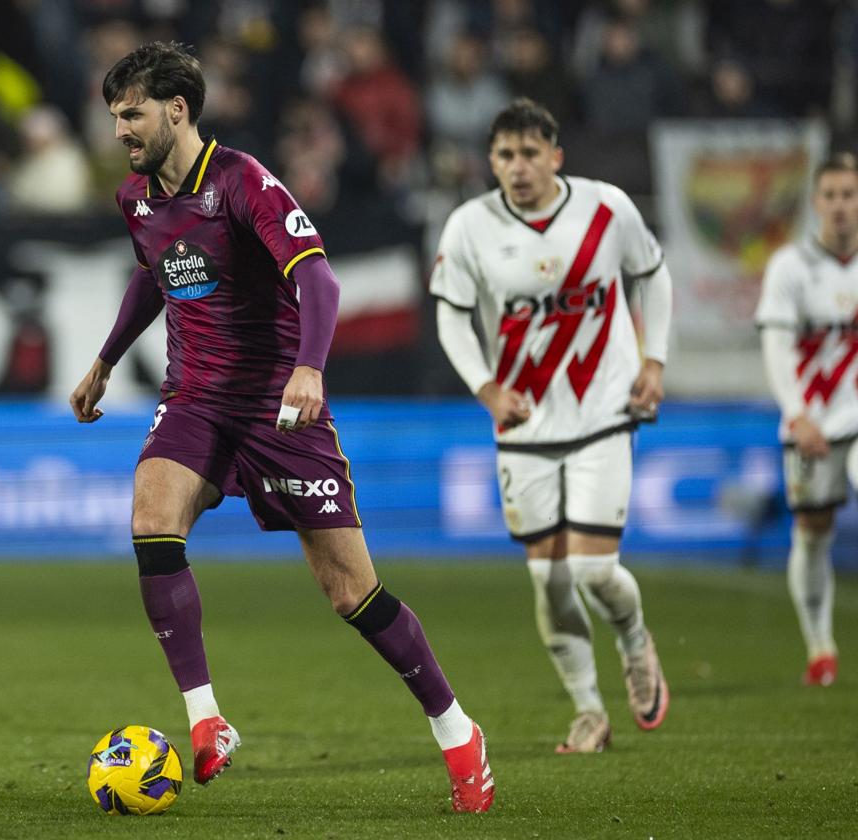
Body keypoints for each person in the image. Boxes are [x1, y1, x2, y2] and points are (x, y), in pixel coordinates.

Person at [69, 42, 494, 813]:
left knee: (351, 592)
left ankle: (458, 730)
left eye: (132, 114)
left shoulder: (242, 181)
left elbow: (318, 278)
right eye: (114, 117)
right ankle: (207, 721)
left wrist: (310, 367)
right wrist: (104, 359)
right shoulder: (136, 198)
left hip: (277, 404)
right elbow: (151, 275)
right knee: (151, 520)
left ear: (177, 109)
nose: (121, 130)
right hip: (194, 397)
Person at [431, 98, 673, 754]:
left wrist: (654, 359)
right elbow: (451, 314)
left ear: (556, 156)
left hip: (603, 411)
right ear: (491, 161)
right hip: (524, 423)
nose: (518, 167)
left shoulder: (606, 208)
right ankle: (589, 711)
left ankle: (634, 640)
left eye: (530, 154)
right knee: (548, 579)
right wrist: (486, 387)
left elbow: (652, 275)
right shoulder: (469, 227)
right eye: (506, 155)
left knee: (595, 572)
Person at [755, 152, 858, 688]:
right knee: (813, 532)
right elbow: (776, 346)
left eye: (850, 194)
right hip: (815, 423)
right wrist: (797, 415)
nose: (841, 206)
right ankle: (821, 648)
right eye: (832, 195)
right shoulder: (791, 267)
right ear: (817, 202)